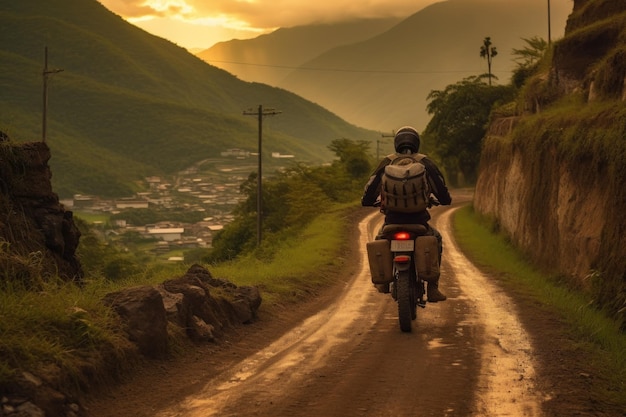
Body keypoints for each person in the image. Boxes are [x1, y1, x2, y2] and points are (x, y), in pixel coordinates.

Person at [361, 126, 452, 302]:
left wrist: (369, 201)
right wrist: (443, 199)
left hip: (392, 222)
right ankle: (433, 288)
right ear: (416, 143)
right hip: (419, 223)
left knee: (381, 238)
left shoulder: (387, 162)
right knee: (437, 239)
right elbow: (441, 190)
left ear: (396, 144)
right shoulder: (424, 162)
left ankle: (383, 283)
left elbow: (370, 190)